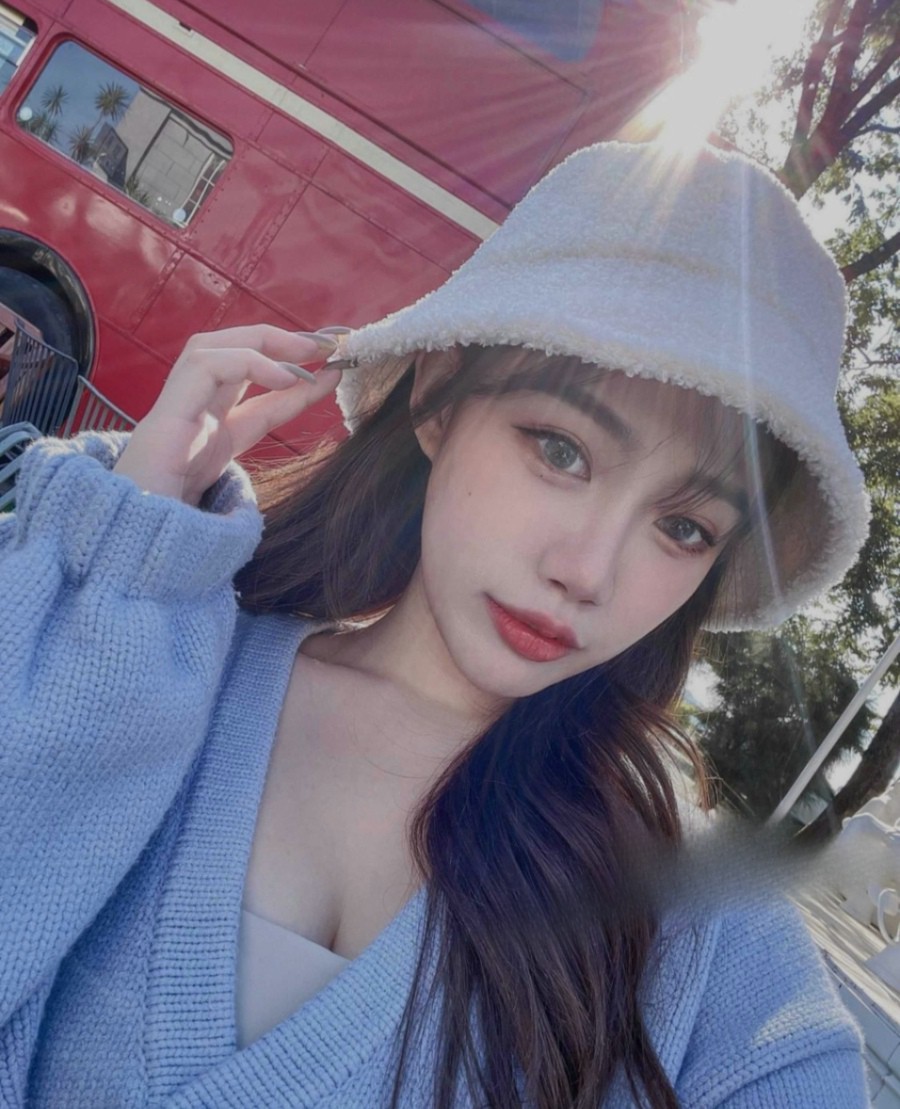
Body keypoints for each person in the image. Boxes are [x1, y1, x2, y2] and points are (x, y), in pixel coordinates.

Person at [0, 141, 872, 1107]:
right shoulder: (149, 655)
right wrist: (117, 571)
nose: (585, 572)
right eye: (560, 450)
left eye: (684, 527)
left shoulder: (689, 916)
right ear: (436, 398)